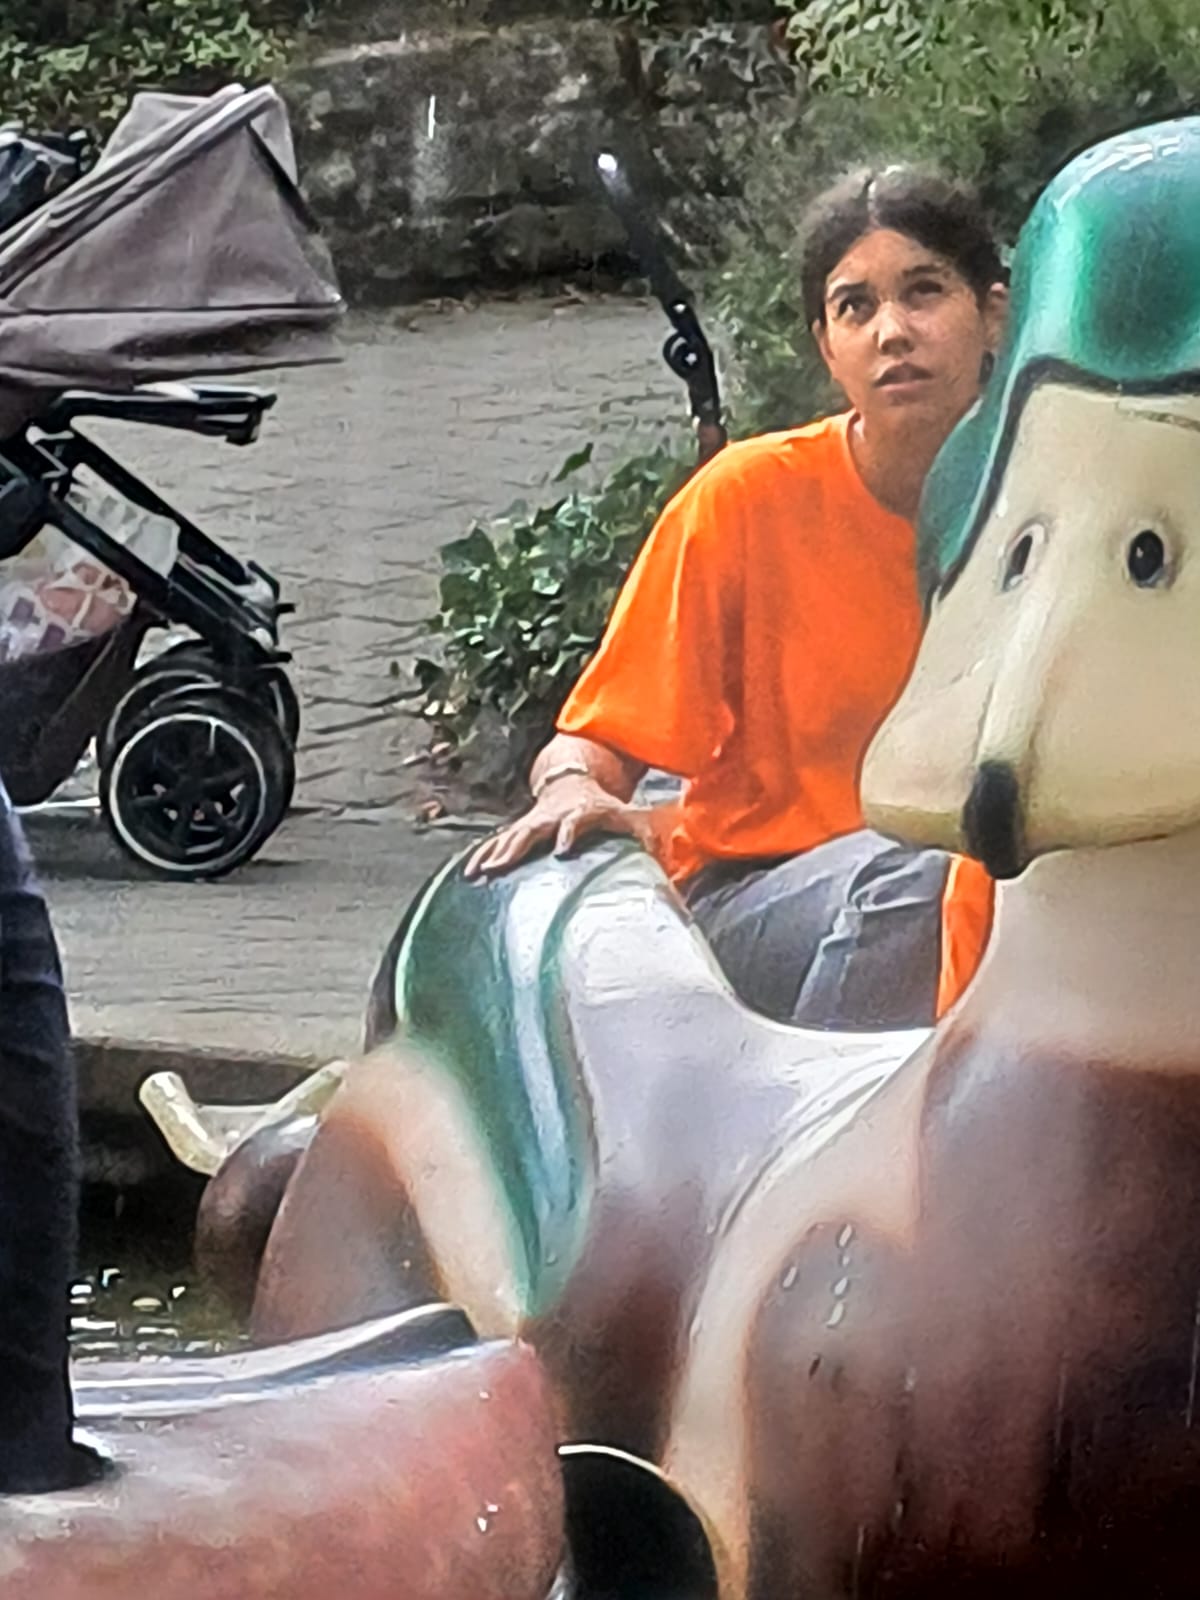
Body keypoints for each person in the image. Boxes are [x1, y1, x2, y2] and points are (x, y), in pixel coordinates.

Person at [466, 163, 1003, 1029]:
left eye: (924, 292)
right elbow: (597, 742)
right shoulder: (746, 500)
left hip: (1001, 896)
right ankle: (830, 1118)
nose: (892, 332)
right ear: (827, 346)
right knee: (926, 871)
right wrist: (570, 790)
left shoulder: (1060, 502)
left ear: (994, 314)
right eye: (855, 307)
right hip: (761, 899)